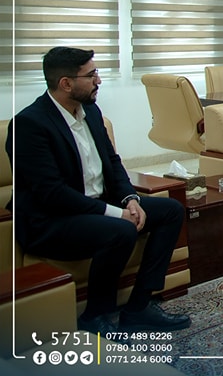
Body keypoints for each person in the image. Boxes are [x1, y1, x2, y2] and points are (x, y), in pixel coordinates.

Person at [5, 47, 190, 336]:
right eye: (91, 75)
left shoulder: (90, 112)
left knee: (171, 211)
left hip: (97, 206)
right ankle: (94, 315)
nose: (99, 81)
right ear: (66, 83)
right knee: (121, 230)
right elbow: (52, 194)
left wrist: (131, 199)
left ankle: (139, 307)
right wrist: (116, 213)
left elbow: (113, 163)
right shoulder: (29, 125)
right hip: (52, 220)